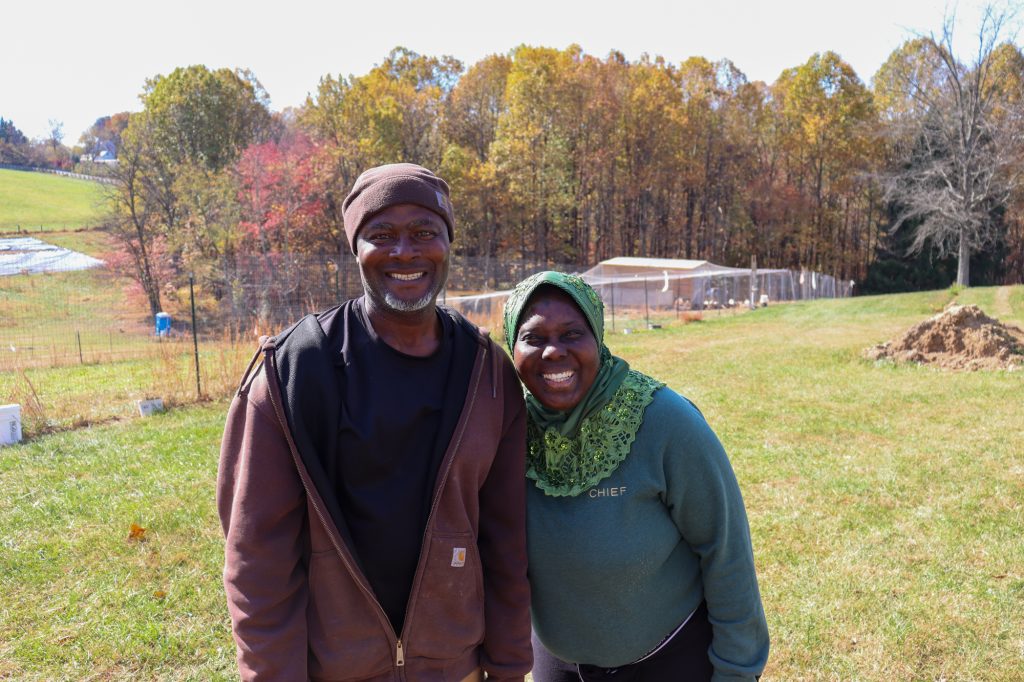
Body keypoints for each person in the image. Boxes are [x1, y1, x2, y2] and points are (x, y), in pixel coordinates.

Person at [217, 163, 532, 681]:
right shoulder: (294, 372)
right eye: (381, 235)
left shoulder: (487, 374)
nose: (405, 252)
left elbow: (507, 544)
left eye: (424, 232)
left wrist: (508, 667)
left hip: (455, 669)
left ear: (447, 243)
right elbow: (257, 561)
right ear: (355, 247)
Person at [502, 271, 769, 682]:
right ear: (511, 346)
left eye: (573, 334)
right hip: (558, 665)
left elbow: (726, 548)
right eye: (534, 338)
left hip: (669, 659)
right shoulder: (506, 430)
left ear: (598, 338)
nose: (554, 352)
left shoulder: (664, 422)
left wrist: (737, 671)